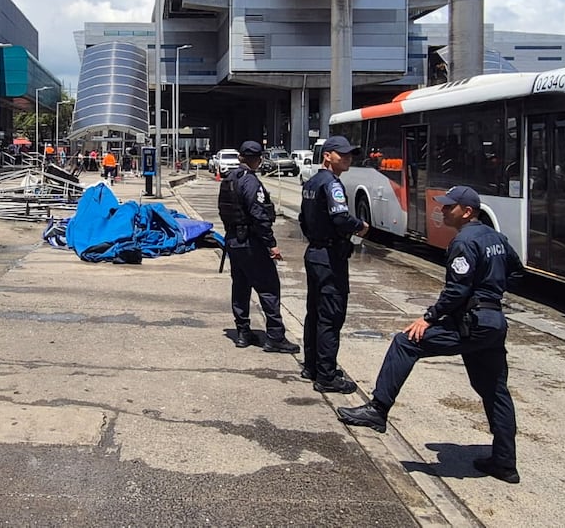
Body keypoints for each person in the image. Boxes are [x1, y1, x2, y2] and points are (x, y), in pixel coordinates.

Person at [337, 185, 524, 484]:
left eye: (450, 207)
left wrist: (429, 318)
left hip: (472, 322)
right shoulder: (496, 238)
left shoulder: (463, 241)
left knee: (405, 342)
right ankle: (505, 462)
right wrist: (491, 293)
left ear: (467, 212)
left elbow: (456, 290)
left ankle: (378, 409)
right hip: (493, 322)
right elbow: (517, 272)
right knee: (494, 389)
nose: (443, 210)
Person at [298, 135, 369, 393]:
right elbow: (340, 218)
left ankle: (312, 365)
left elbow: (302, 219)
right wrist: (360, 226)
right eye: (342, 154)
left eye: (350, 154)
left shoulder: (311, 182)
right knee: (330, 315)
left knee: (315, 312)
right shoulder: (331, 184)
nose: (348, 158)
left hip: (314, 253)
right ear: (327, 156)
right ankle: (327, 376)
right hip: (329, 258)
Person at [217, 141, 299, 353]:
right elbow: (259, 215)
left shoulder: (229, 179)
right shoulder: (250, 181)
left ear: (240, 157)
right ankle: (275, 337)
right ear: (258, 159)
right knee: (269, 288)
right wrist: (271, 244)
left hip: (233, 241)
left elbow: (223, 209)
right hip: (251, 243)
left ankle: (243, 332)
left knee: (240, 286)